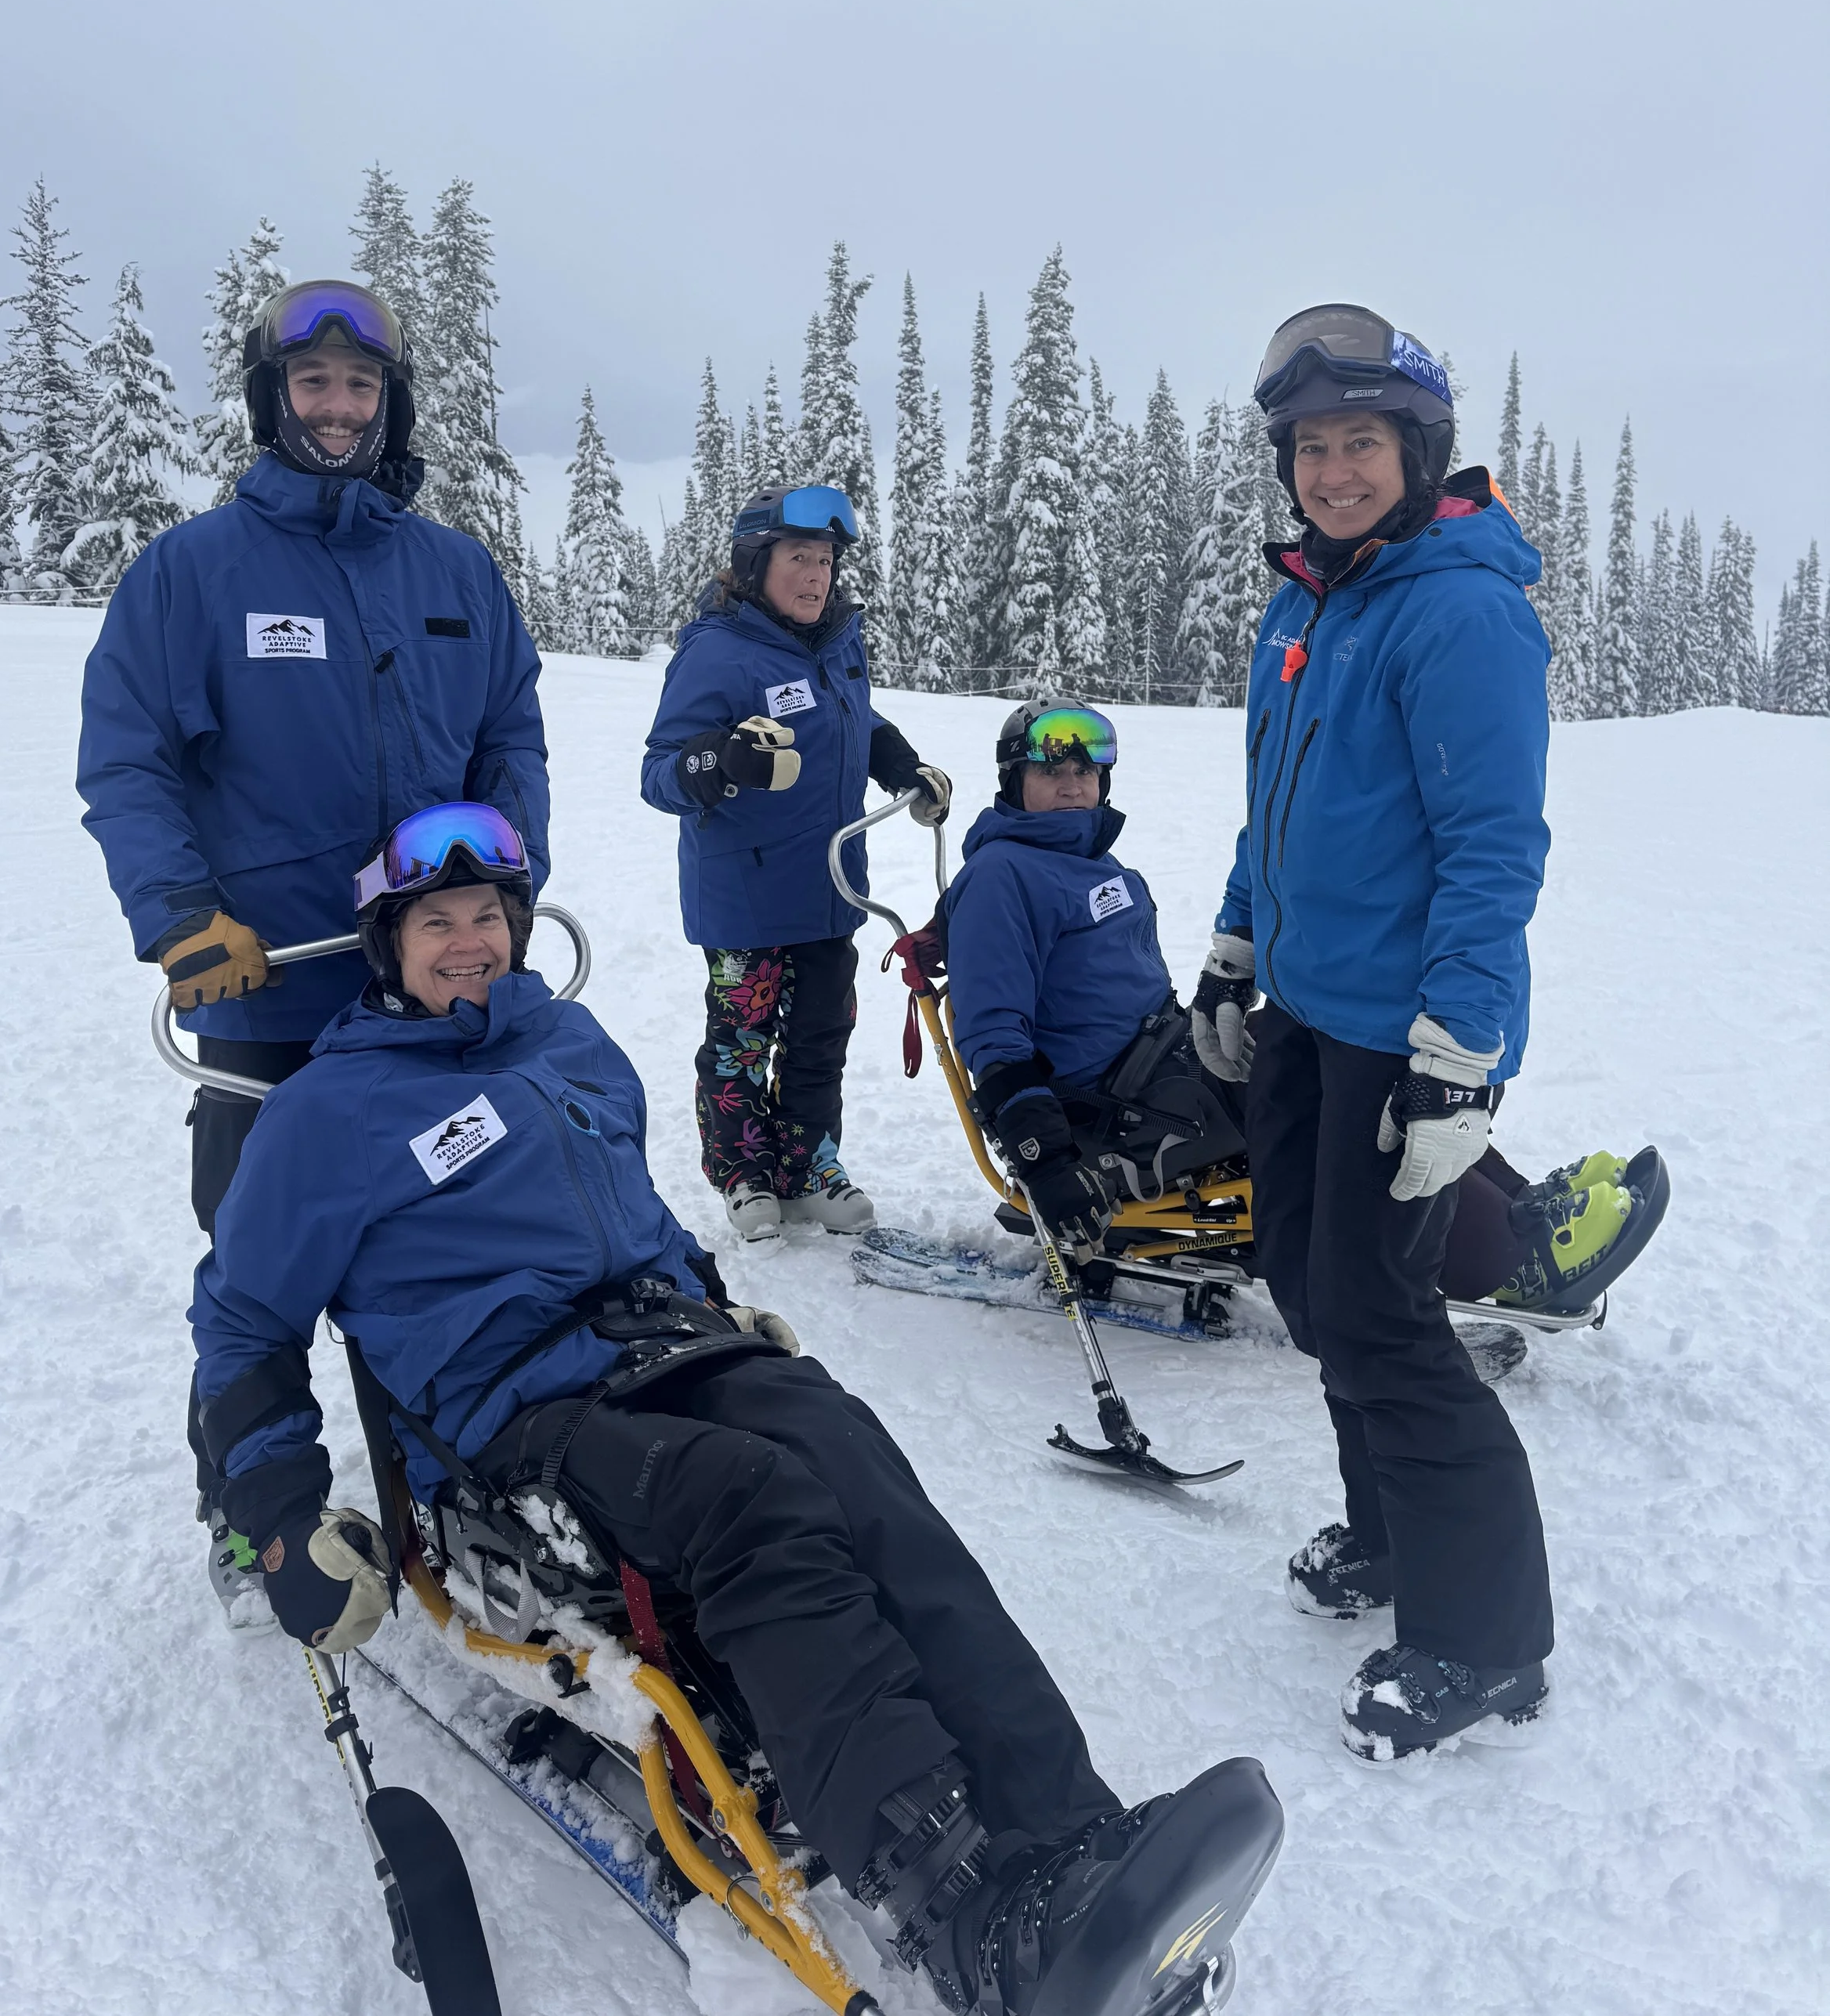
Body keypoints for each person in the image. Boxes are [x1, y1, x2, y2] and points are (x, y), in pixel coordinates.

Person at [191, 801, 1283, 2016]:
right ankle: (966, 1911)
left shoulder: (569, 1043)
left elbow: (635, 1216)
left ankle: (1076, 1842)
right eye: (436, 920)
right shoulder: (326, 1115)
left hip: (661, 1346)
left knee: (850, 1453)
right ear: (386, 945)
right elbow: (241, 1323)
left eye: (489, 917)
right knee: (752, 1505)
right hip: (510, 1423)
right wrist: (282, 1511)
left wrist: (714, 1310)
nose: (469, 942)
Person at [76, 276, 550, 1615]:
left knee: (456, 1232)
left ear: (390, 401)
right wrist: (176, 912)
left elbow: (513, 729)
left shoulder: (456, 571)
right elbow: (127, 757)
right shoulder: (194, 571)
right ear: (273, 396)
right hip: (271, 988)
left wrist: (508, 882)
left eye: (360, 387)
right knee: (260, 1256)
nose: (338, 409)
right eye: (313, 385)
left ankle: (467, 1478)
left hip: (437, 990)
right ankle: (254, 1504)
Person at [1188, 303, 1567, 1761]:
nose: (1333, 470)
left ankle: (1487, 1640)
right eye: (1311, 446)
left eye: (1361, 442)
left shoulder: (1458, 609)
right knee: (1306, 1279)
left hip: (1400, 1032)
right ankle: (1390, 1531)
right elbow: (1270, 801)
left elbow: (1491, 846)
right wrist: (1235, 941)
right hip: (1302, 1008)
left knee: (1387, 1321)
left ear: (1419, 451)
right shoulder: (1310, 601)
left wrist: (1461, 1053)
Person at [944, 699, 1665, 1324]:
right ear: (1016, 781)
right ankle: (1510, 1263)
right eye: (1051, 770)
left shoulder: (1088, 860)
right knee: (1336, 1097)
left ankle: (1521, 1208)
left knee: (1348, 1043)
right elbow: (993, 1035)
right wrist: (1044, 1158)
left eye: (1086, 769)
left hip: (1162, 1064)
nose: (1073, 782)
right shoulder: (1003, 876)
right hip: (1112, 1115)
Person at [640, 483, 951, 1241]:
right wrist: (725, 758)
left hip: (830, 887)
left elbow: (856, 717)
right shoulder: (716, 651)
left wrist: (902, 767)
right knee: (742, 1043)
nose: (816, 575)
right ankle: (745, 1172)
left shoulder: (839, 641)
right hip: (745, 896)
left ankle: (809, 1161)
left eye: (825, 560)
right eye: (798, 558)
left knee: (820, 1035)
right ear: (756, 564)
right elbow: (659, 775)